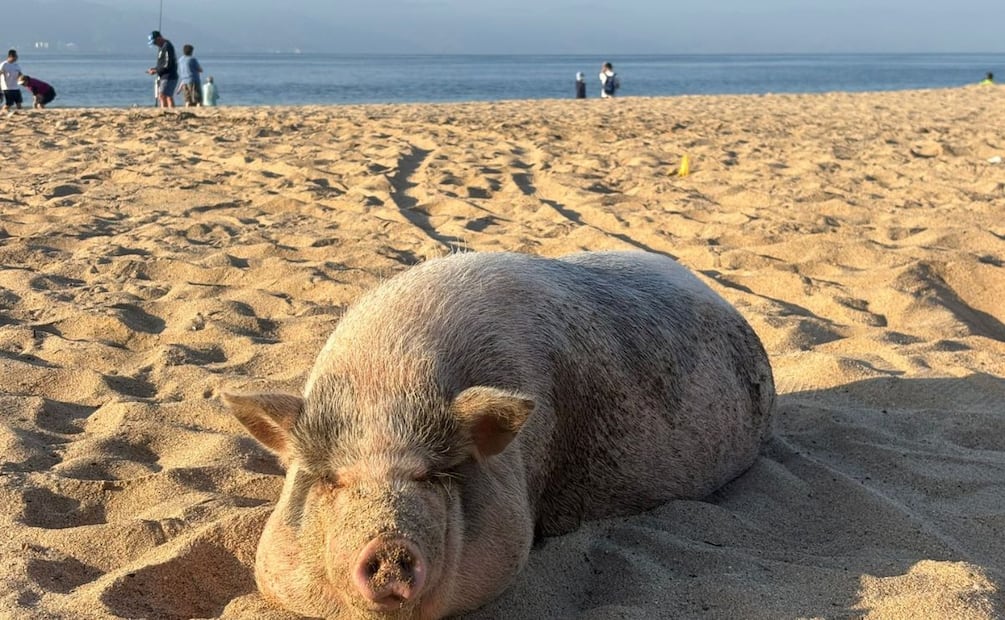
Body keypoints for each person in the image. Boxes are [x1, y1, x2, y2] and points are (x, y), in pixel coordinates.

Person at [146, 31, 178, 108]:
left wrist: (156, 71)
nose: (155, 44)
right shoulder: (162, 47)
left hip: (169, 76)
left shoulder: (167, 46)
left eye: (154, 42)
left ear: (159, 38)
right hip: (164, 76)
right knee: (165, 96)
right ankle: (167, 111)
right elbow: (162, 63)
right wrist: (155, 68)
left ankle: (167, 111)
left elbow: (167, 64)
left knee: (164, 95)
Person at [1, 49, 23, 114]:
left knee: (19, 103)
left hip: (16, 87)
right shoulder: (4, 64)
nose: (17, 58)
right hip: (7, 88)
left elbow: (20, 74)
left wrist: (22, 80)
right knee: (9, 104)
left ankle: (20, 115)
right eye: (16, 56)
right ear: (10, 56)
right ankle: (2, 113)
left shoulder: (16, 65)